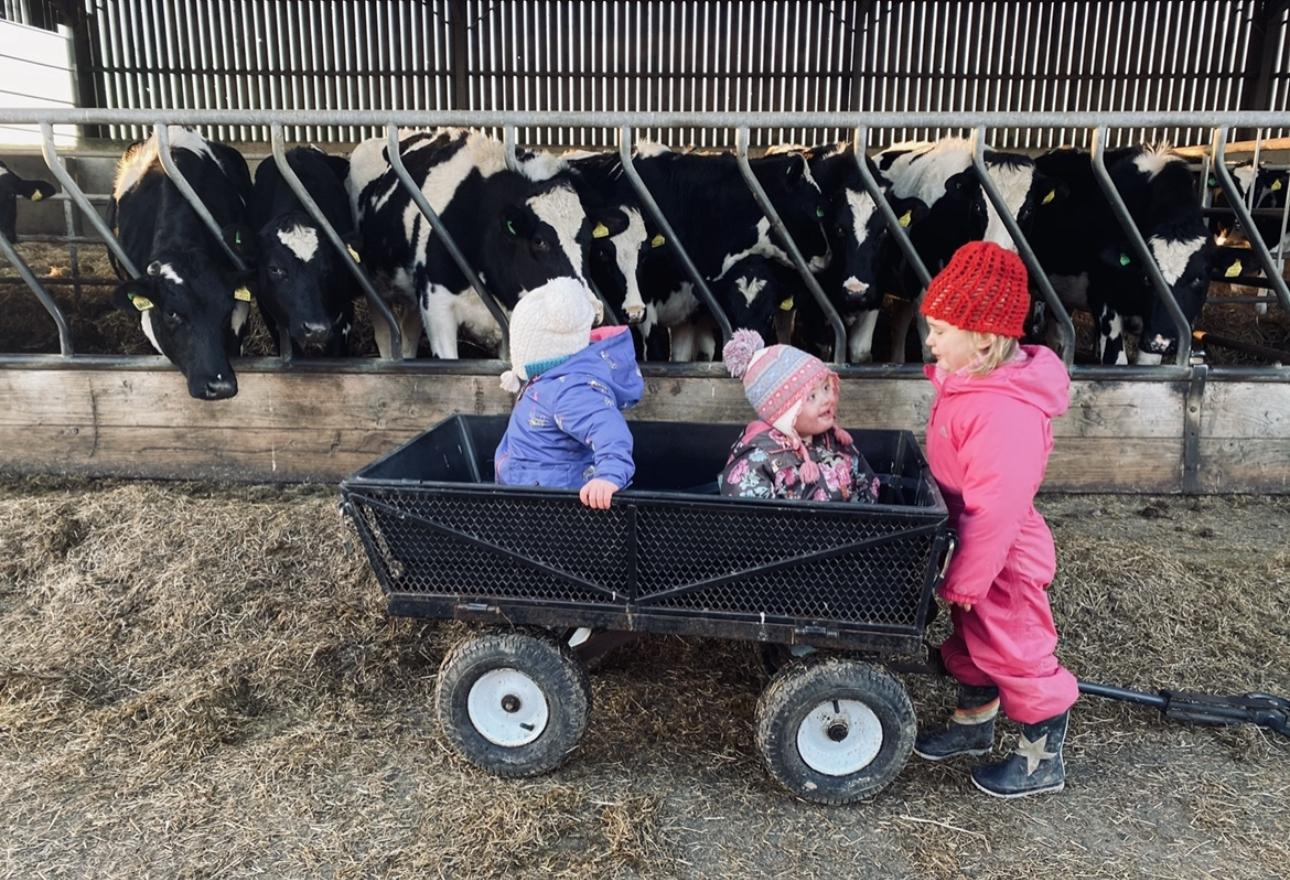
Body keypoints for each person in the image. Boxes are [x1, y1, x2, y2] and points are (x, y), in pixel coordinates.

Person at [912, 240, 1079, 798]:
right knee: (972, 637)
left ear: (980, 337)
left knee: (1016, 647)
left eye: (940, 329)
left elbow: (999, 507)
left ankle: (1041, 758)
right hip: (974, 545)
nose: (930, 339)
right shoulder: (970, 385)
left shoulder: (1004, 410)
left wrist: (969, 574)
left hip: (1000, 556)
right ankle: (974, 725)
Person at [494, 278, 643, 509]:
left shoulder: (571, 389)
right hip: (531, 496)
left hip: (558, 509)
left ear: (541, 348)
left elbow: (608, 429)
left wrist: (608, 476)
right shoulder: (549, 378)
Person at [719, 329, 879, 504]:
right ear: (784, 412)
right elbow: (750, 519)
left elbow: (867, 485)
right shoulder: (757, 458)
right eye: (811, 397)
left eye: (826, 388)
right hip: (790, 531)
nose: (827, 400)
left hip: (843, 529)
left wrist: (858, 525)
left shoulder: (837, 443)